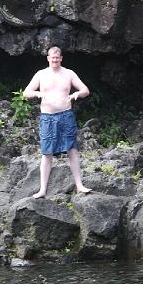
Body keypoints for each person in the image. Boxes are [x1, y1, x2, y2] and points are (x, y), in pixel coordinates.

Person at [23, 46, 92, 198]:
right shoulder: (41, 74)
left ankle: (79, 185)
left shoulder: (69, 73)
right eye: (52, 58)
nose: (54, 60)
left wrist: (76, 94)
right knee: (46, 153)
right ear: (48, 58)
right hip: (48, 117)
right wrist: (37, 93)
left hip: (66, 115)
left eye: (57, 58)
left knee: (72, 149)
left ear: (61, 58)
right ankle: (42, 190)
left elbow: (86, 90)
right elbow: (26, 93)